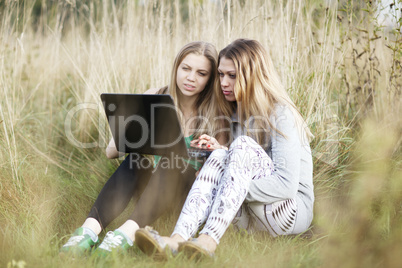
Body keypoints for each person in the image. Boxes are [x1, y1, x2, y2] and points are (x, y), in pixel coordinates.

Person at [134, 38, 315, 259]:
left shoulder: (281, 114)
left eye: (232, 75)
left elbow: (286, 186)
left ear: (253, 75)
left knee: (240, 146)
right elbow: (238, 168)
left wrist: (224, 182)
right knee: (220, 154)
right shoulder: (236, 116)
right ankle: (178, 239)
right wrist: (217, 155)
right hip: (251, 215)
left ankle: (208, 241)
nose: (223, 83)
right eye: (220, 74)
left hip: (289, 213)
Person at [60, 41, 227, 256]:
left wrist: (214, 150)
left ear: (210, 78)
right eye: (186, 68)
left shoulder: (216, 114)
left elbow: (220, 167)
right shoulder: (155, 96)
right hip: (151, 193)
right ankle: (88, 231)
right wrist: (135, 130)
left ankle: (125, 234)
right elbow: (110, 152)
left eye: (201, 73)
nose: (191, 77)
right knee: (135, 160)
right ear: (176, 67)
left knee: (172, 162)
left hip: (187, 198)